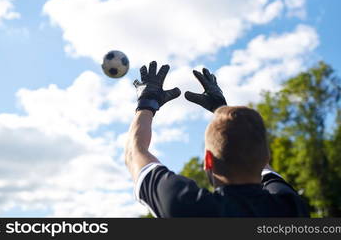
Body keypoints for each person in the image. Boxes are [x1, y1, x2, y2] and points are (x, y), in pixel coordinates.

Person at [125, 61, 309, 217]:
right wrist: (222, 110)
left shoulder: (184, 206)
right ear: (265, 158)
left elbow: (135, 152)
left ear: (208, 161)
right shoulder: (291, 206)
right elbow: (259, 160)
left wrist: (147, 102)